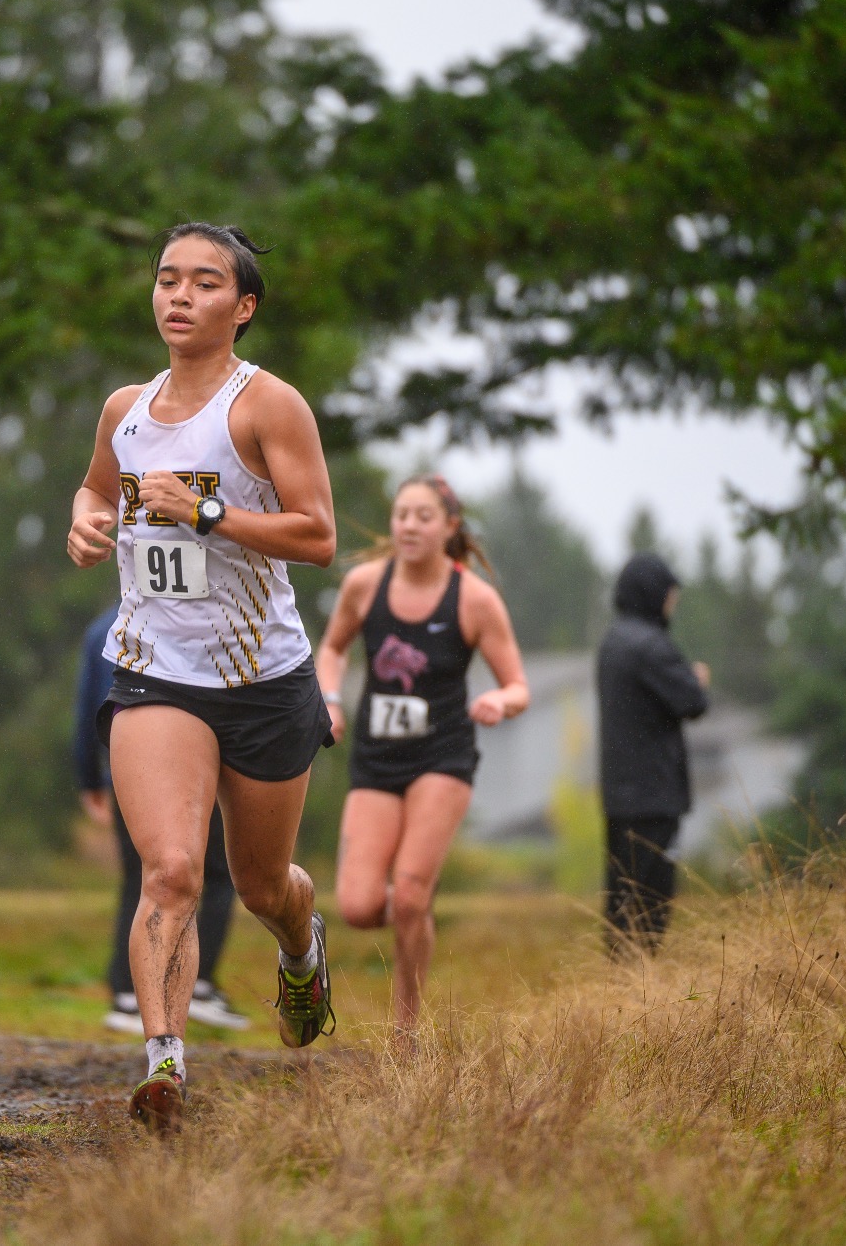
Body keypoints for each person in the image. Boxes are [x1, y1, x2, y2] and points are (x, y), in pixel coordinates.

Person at [66, 222, 338, 1135]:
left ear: (243, 306)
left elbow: (318, 536)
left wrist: (212, 511)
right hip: (153, 670)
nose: (179, 296)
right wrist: (86, 521)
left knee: (260, 884)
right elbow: (97, 488)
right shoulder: (125, 409)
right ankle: (165, 1066)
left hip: (262, 677)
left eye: (205, 283)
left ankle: (302, 950)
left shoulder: (269, 408)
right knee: (172, 871)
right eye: (167, 279)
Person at [317, 475, 530, 1035]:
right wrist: (331, 701)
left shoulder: (475, 599)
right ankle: (412, 914)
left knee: (410, 896)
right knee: (360, 907)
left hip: (443, 756)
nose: (409, 525)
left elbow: (518, 686)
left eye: (424, 516)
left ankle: (406, 1032)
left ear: (450, 527)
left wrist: (498, 702)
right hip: (377, 758)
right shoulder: (365, 585)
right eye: (402, 514)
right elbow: (332, 648)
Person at [72, 604, 249, 1035]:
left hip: (124, 768)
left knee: (143, 878)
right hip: (194, 768)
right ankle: (200, 982)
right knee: (216, 874)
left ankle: (125, 990)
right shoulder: (195, 618)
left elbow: (85, 709)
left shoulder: (101, 627)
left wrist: (89, 776)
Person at [595, 552, 709, 953]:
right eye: (669, 595)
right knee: (650, 901)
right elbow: (693, 702)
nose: (671, 604)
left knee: (622, 896)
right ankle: (638, 988)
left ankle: (620, 988)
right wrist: (696, 679)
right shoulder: (650, 646)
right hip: (654, 795)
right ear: (652, 593)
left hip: (619, 793)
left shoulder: (613, 641)